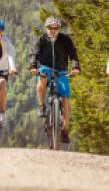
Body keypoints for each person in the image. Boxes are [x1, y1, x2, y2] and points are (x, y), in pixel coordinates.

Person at [29, 16, 80, 144]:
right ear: (46, 28)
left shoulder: (65, 39)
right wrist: (33, 67)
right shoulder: (41, 39)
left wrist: (75, 68)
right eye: (50, 28)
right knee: (42, 78)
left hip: (61, 70)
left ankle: (65, 129)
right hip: (45, 68)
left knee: (65, 100)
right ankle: (41, 106)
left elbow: (73, 54)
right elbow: (34, 54)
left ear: (59, 29)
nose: (53, 30)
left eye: (56, 28)